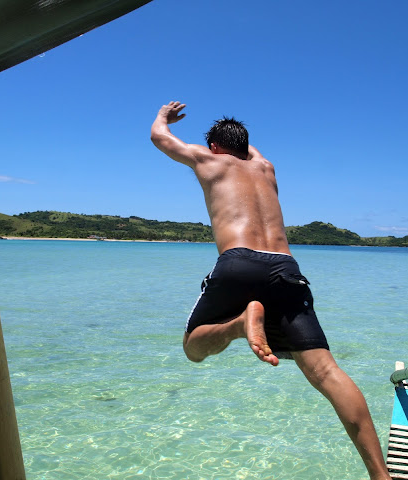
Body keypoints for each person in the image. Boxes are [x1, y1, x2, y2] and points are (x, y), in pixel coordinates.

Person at [150, 101, 392, 480]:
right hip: (285, 267)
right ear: (246, 147)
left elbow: (159, 138)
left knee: (193, 347)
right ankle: (380, 474)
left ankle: (238, 324)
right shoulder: (266, 167)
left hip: (238, 260)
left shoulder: (207, 159)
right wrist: (241, 140)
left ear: (214, 146)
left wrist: (164, 117)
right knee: (327, 371)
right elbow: (250, 150)